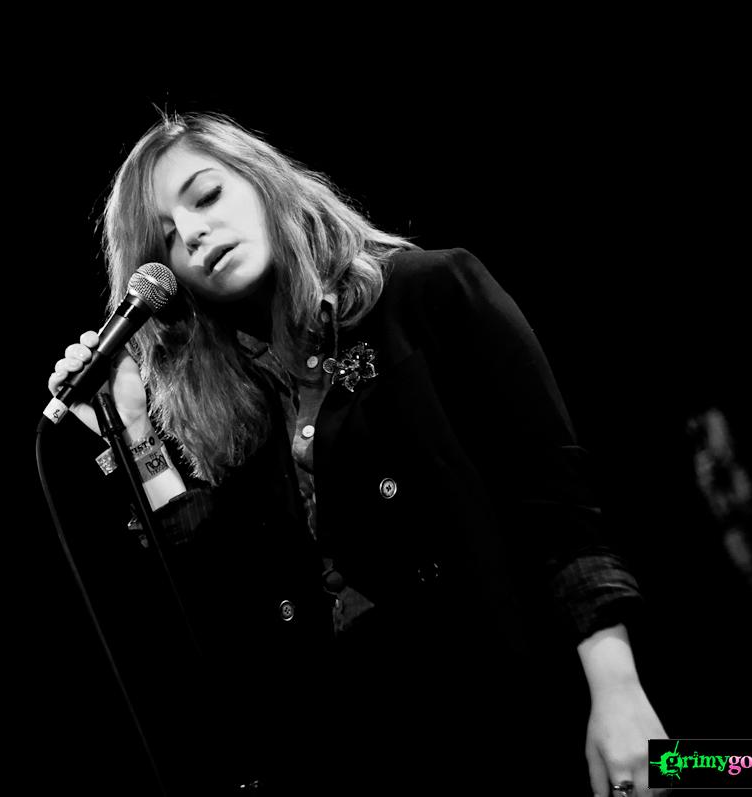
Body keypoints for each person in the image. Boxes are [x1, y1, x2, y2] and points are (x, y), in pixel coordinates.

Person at [46, 112, 667, 796]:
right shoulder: (243, 417)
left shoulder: (428, 292)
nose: (191, 233)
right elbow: (225, 601)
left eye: (207, 195)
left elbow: (557, 509)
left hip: (517, 713)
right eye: (167, 240)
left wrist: (618, 693)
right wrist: (134, 431)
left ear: (262, 183)